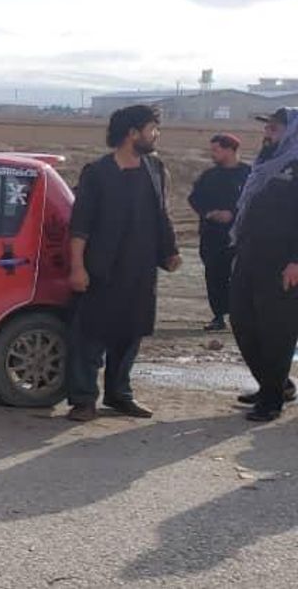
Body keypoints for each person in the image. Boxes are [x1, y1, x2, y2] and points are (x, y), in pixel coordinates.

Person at [65, 105, 182, 422]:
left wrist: (169, 252)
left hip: (141, 271)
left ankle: (119, 395)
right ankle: (83, 399)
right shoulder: (98, 173)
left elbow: (163, 214)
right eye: (151, 128)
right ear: (132, 133)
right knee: (90, 337)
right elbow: (80, 225)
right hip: (102, 270)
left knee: (130, 334)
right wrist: (78, 267)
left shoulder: (155, 169)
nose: (156, 134)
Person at [229, 107, 298, 421]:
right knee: (243, 321)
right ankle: (276, 383)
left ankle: (271, 401)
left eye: (274, 129)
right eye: (267, 128)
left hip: (283, 263)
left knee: (276, 331)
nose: (267, 134)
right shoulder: (265, 163)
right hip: (249, 255)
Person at [188, 134, 251, 331]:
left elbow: (256, 201)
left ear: (230, 149)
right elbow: (195, 198)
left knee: (242, 276)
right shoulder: (209, 176)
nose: (212, 154)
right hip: (213, 236)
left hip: (241, 236)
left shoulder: (249, 174)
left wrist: (233, 214)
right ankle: (218, 316)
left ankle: (244, 316)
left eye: (216, 150)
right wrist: (210, 213)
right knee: (215, 275)